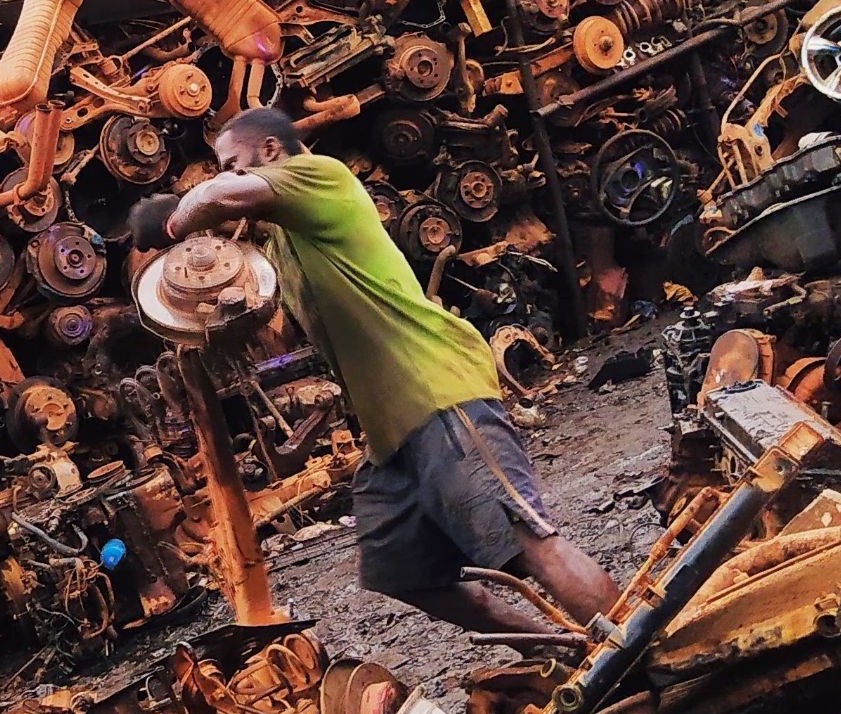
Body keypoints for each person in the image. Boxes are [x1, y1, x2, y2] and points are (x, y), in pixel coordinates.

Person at [129, 106, 620, 634]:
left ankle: (643, 650)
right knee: (400, 571)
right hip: (389, 435)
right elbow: (261, 311)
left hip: (437, 390)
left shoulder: (319, 178)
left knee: (528, 543)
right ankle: (554, 652)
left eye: (231, 163)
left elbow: (215, 198)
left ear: (270, 152)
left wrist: (174, 218)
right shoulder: (287, 236)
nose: (225, 175)